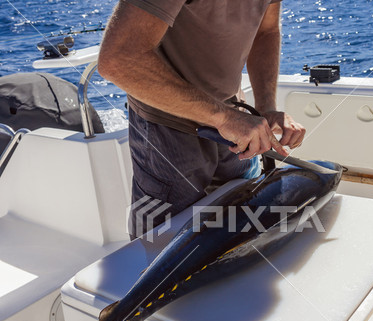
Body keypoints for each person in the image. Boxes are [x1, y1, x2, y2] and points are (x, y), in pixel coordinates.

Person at [98, 0, 306, 238]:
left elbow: (266, 31)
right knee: (160, 244)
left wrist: (266, 107)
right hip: (167, 128)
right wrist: (224, 118)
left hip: (236, 118)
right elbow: (119, 59)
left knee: (239, 229)